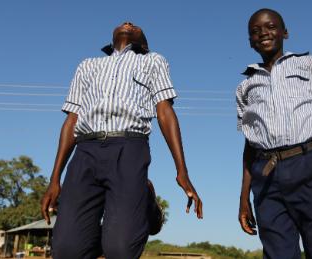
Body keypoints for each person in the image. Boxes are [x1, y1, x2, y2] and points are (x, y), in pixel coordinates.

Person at [41, 22, 203, 259]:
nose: (128, 23)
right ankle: (133, 204)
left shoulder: (152, 61)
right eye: (123, 24)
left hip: (128, 148)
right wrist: (55, 179)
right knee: (66, 251)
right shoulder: (88, 66)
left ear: (143, 44)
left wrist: (182, 171)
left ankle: (143, 201)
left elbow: (165, 111)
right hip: (86, 150)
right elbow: (72, 120)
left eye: (135, 26)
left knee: (120, 251)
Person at [236, 9, 312, 259]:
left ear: (285, 32)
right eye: (255, 31)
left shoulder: (311, 64)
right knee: (277, 253)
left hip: (308, 167)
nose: (263, 33)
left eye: (270, 26)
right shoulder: (245, 87)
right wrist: (243, 198)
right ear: (250, 42)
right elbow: (250, 145)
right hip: (266, 177)